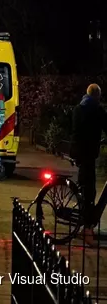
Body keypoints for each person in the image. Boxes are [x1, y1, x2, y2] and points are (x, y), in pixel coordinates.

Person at [72, 84, 107, 238]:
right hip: (88, 154)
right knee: (89, 191)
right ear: (97, 96)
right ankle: (86, 228)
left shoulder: (78, 109)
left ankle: (84, 221)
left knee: (84, 187)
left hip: (77, 152)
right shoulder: (97, 110)